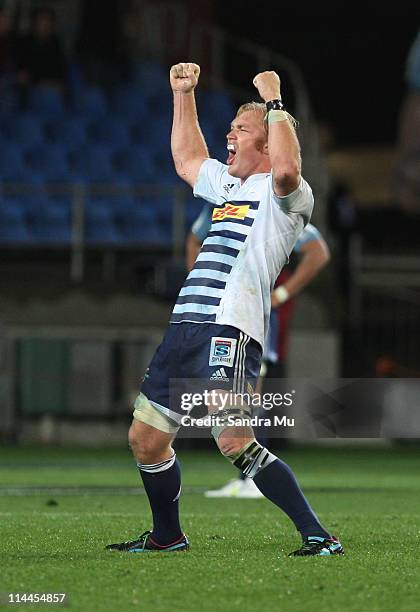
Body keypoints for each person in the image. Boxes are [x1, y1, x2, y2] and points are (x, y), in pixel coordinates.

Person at [107, 63, 344, 556]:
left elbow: (286, 169)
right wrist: (183, 94)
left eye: (242, 131)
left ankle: (318, 535)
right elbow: (188, 160)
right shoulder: (230, 187)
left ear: (267, 144)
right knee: (146, 439)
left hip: (228, 328)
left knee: (234, 439)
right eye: (231, 128)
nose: (229, 137)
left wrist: (274, 99)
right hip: (185, 326)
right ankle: (167, 536)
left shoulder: (288, 199)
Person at [186, 207, 330, 497]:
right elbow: (194, 240)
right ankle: (245, 479)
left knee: (252, 393)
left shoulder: (275, 205)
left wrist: (283, 293)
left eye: (235, 155)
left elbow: (318, 252)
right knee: (232, 395)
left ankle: (253, 478)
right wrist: (200, 288)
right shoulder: (222, 199)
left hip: (256, 312)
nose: (230, 158)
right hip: (224, 313)